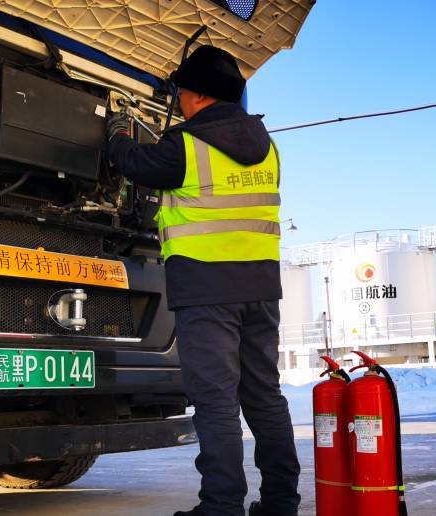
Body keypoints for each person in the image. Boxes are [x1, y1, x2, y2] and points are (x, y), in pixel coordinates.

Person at [104, 45, 300, 516]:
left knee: (215, 402)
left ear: (196, 96)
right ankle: (279, 503)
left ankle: (221, 507)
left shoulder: (184, 147)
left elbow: (133, 163)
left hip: (206, 292)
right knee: (264, 397)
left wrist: (114, 134)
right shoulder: (268, 147)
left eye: (182, 93)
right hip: (260, 291)